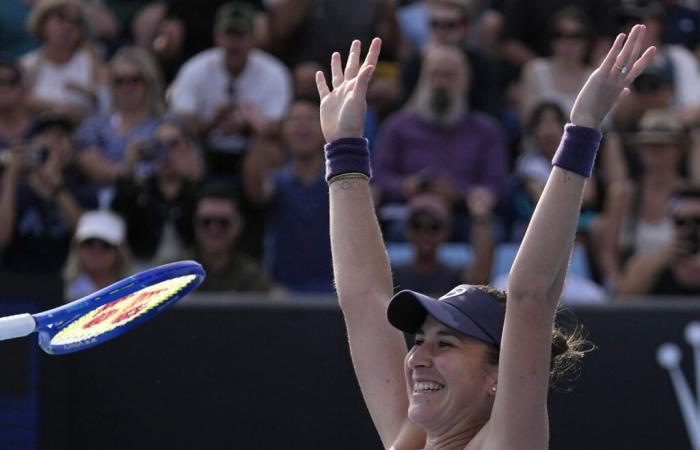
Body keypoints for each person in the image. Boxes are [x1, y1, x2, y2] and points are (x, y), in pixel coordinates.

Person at [316, 25, 653, 449]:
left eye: (446, 344)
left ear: (496, 375)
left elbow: (530, 296)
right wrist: (344, 147)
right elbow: (363, 298)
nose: (418, 357)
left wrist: (583, 130)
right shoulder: (410, 440)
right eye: (420, 341)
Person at [168, 1, 292, 177]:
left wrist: (247, 125)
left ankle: (263, 199)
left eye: (240, 35)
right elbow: (180, 121)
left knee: (270, 146)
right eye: (228, 35)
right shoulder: (195, 68)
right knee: (176, 142)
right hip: (205, 148)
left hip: (251, 150)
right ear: (217, 37)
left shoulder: (274, 72)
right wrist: (212, 122)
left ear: (253, 38)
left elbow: (278, 126)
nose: (233, 44)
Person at [110, 119, 204, 268]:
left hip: (193, 269)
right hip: (146, 270)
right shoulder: (140, 190)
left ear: (187, 147)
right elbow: (116, 218)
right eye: (159, 145)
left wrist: (194, 177)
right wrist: (128, 170)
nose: (166, 153)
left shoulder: (199, 190)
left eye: (173, 144)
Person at [21, 0, 104, 123]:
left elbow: (109, 99)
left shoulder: (90, 58)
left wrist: (88, 91)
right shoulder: (28, 64)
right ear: (43, 23)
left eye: (76, 22)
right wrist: (62, 108)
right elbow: (19, 103)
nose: (68, 27)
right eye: (61, 18)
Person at [616, 185, 700, 297]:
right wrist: (661, 260)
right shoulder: (647, 262)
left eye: (697, 221)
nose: (688, 228)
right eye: (681, 221)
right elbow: (622, 300)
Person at [188, 185, 271, 292]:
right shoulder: (172, 274)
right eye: (206, 222)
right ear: (196, 224)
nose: (214, 230)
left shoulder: (253, 277)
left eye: (223, 223)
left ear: (238, 225)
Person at [63, 209, 132, 301]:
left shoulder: (134, 293)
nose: (96, 251)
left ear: (119, 252)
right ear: (77, 248)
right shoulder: (53, 290)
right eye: (89, 243)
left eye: (105, 245)